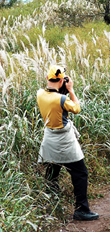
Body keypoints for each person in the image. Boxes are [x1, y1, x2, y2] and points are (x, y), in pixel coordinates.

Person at [37, 65, 99, 221]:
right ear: (61, 81)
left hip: (49, 140)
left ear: (47, 79)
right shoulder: (62, 98)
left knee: (51, 175)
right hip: (65, 141)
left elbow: (53, 100)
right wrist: (70, 89)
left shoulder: (39, 94)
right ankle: (81, 210)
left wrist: (61, 89)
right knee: (80, 173)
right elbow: (76, 108)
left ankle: (51, 208)